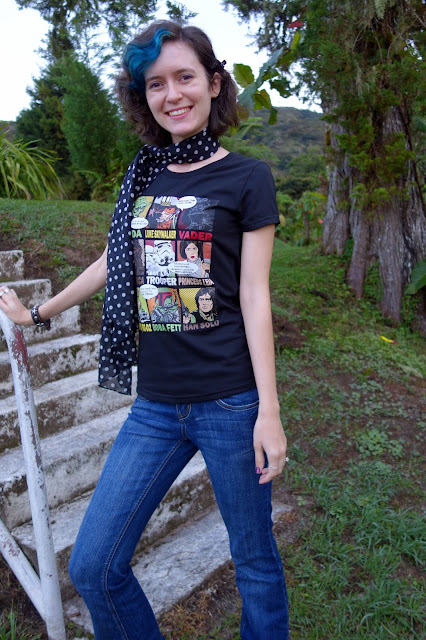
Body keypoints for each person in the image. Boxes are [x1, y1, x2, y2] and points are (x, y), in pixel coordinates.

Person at [0, 20, 289, 640]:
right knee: (93, 565)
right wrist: (39, 314)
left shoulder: (248, 177)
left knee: (254, 562)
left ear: (214, 84)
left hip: (231, 403)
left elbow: (255, 295)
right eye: (155, 84)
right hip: (156, 405)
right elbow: (115, 259)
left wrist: (269, 411)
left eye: (185, 77)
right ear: (143, 97)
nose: (172, 94)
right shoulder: (144, 175)